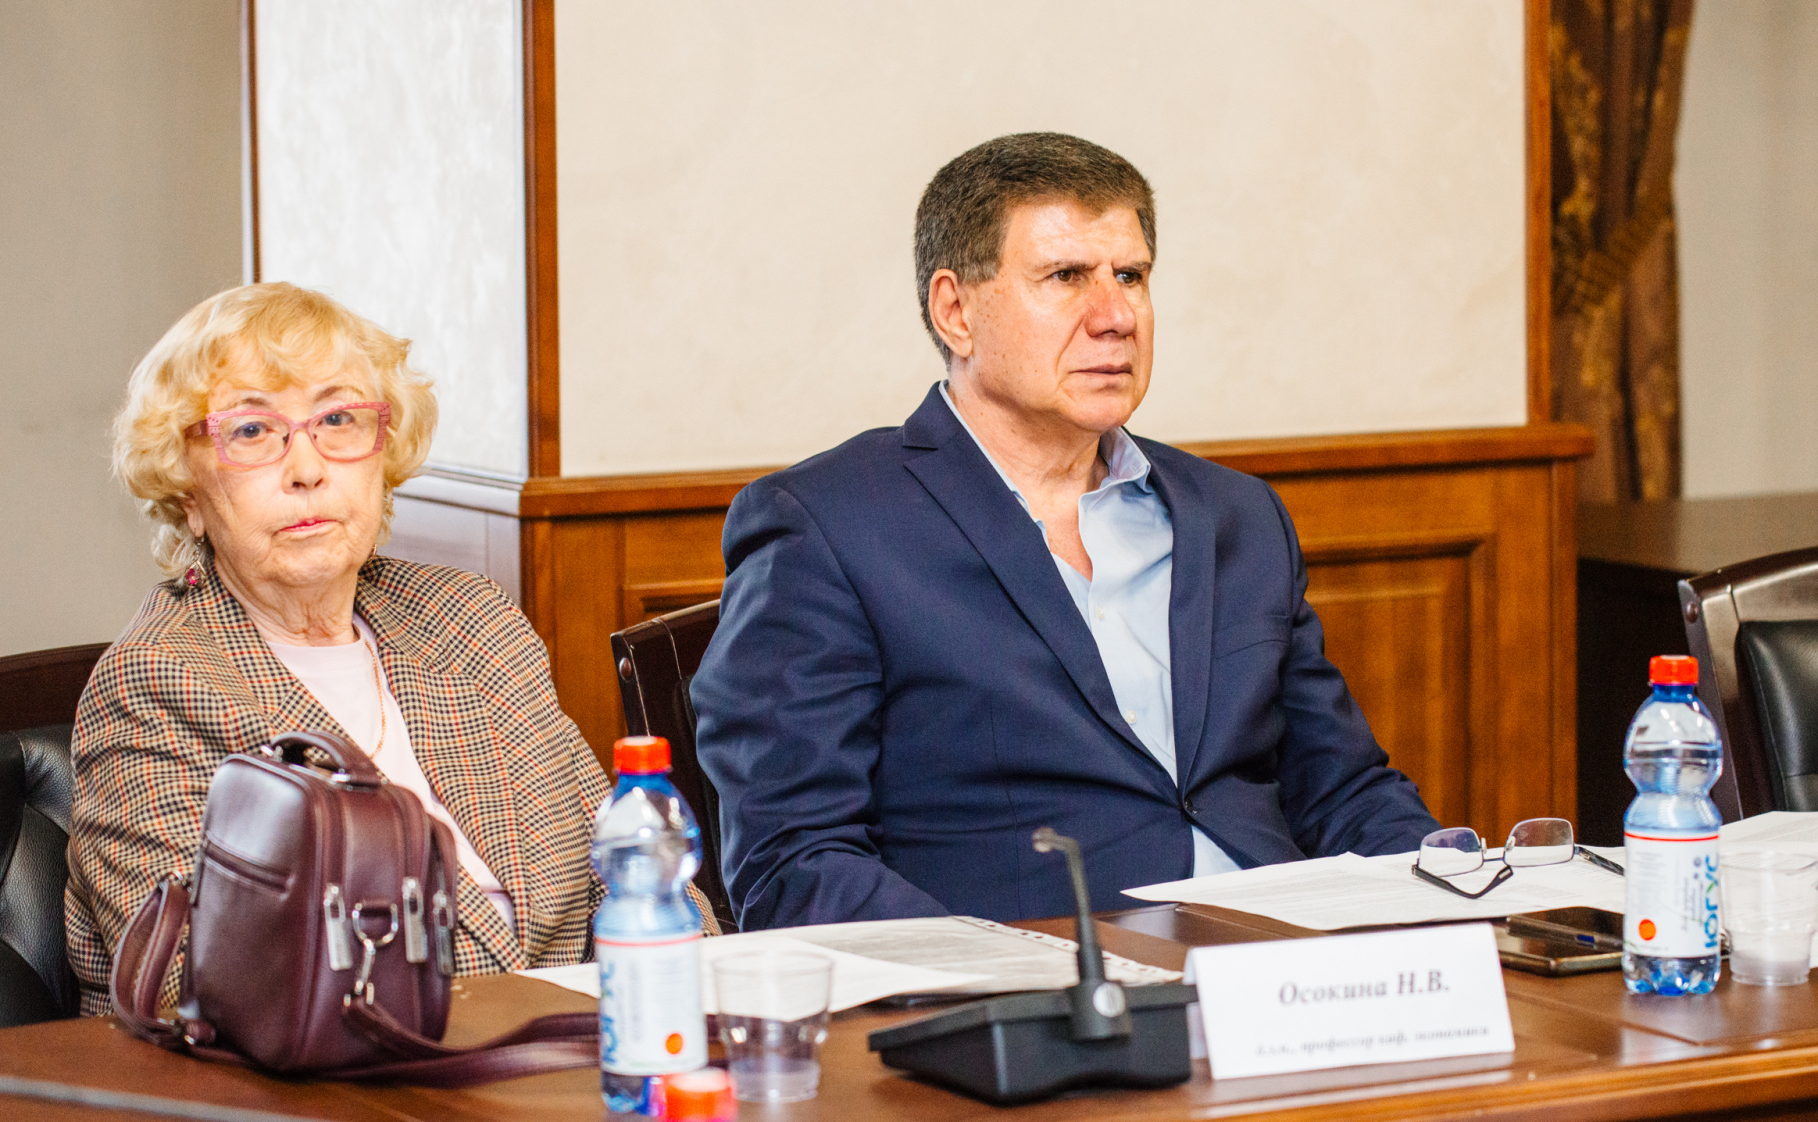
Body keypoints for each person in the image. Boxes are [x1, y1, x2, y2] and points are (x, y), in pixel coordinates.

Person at [691, 132, 1439, 930]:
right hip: (1037, 982)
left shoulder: (1239, 516)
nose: (1115, 316)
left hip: (1287, 964)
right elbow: (796, 862)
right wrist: (1005, 975)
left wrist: (1465, 900)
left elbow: (1345, 792)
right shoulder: (828, 527)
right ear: (956, 311)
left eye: (1131, 276)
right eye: (1066, 276)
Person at [67, 282, 714, 1016]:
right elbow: (199, 987)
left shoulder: (470, 620)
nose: (307, 469)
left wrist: (691, 1000)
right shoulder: (156, 682)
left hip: (585, 1052)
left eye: (337, 419)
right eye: (251, 431)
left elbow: (631, 869)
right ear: (186, 489)